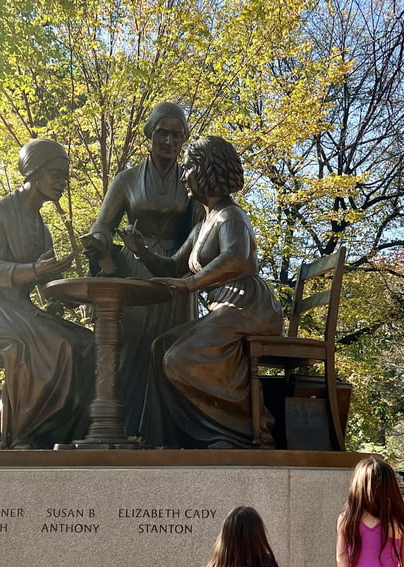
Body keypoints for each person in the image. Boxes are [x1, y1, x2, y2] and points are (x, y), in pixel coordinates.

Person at [121, 135, 283, 449]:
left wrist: (192, 284)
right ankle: (164, 437)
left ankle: (243, 431)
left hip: (247, 308)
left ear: (207, 169)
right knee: (160, 346)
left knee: (180, 358)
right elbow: (173, 267)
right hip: (224, 309)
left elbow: (238, 259)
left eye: (189, 167)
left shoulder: (231, 216)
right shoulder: (204, 222)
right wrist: (140, 250)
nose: (183, 175)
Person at [0, 139, 94, 450]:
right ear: (34, 172)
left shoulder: (44, 231)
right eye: (56, 173)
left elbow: (46, 286)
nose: (62, 182)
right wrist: (34, 270)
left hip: (16, 309)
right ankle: (19, 435)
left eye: (65, 177)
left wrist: (75, 294)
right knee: (45, 344)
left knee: (86, 342)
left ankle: (60, 434)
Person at [81, 102, 204, 438]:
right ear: (150, 134)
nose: (168, 140)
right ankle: (127, 426)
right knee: (131, 346)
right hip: (135, 269)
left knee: (168, 348)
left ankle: (167, 431)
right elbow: (103, 224)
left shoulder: (190, 182)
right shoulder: (128, 179)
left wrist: (186, 268)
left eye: (176, 135)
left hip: (174, 272)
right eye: (162, 133)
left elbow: (199, 230)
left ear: (184, 139)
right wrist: (97, 240)